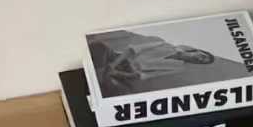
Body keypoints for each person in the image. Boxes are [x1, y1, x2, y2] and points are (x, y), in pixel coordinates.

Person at [89, 30, 217, 95]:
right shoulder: (164, 44)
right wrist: (113, 65)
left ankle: (101, 76)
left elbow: (142, 75)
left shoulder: (179, 68)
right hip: (118, 59)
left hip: (125, 73)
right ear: (197, 50)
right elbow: (131, 50)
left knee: (120, 92)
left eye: (202, 62)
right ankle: (101, 75)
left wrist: (117, 73)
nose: (200, 59)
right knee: (99, 46)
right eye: (202, 56)